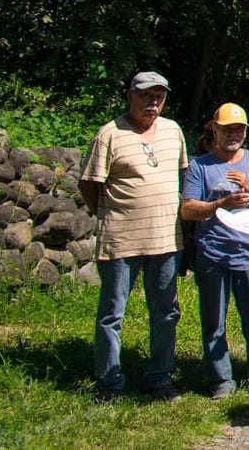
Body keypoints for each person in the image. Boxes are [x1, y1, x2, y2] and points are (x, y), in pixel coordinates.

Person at [79, 71, 187, 403]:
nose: (153, 101)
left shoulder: (173, 131)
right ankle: (110, 383)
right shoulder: (109, 134)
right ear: (130, 96)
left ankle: (160, 378)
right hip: (121, 240)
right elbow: (88, 183)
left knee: (166, 311)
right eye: (146, 94)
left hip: (167, 240)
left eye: (159, 95)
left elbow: (182, 175)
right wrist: (114, 215)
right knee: (113, 314)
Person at [180, 103, 249, 403]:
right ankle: (221, 381)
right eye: (227, 129)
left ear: (246, 132)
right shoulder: (201, 166)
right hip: (213, 254)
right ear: (215, 129)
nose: (233, 134)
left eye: (239, 129)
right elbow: (187, 209)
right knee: (214, 321)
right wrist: (219, 205)